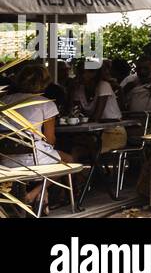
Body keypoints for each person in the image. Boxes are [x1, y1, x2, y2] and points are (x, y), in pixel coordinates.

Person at [0, 62, 73, 208]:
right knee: (69, 161)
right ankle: (34, 194)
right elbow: (50, 139)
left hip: (5, 160)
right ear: (45, 82)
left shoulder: (4, 101)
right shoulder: (46, 104)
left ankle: (42, 196)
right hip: (33, 158)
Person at [68, 59, 126, 158]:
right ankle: (94, 172)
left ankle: (96, 172)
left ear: (95, 73)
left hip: (113, 132)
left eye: (86, 71)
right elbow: (74, 112)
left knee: (82, 148)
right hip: (93, 132)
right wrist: (71, 91)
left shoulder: (103, 85)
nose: (82, 75)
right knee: (71, 147)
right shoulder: (79, 89)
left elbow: (97, 116)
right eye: (80, 72)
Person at [119, 56, 151, 121]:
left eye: (146, 68)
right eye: (139, 68)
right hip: (136, 122)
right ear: (136, 69)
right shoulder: (129, 83)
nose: (142, 71)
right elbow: (121, 104)